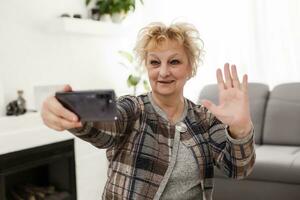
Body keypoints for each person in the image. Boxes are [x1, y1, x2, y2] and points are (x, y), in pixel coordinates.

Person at [41, 22, 255, 200]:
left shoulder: (204, 119)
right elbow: (106, 124)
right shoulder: (133, 108)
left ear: (190, 68)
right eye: (154, 62)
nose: (163, 72)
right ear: (146, 66)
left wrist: (241, 128)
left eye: (174, 61)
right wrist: (68, 106)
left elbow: (237, 170)